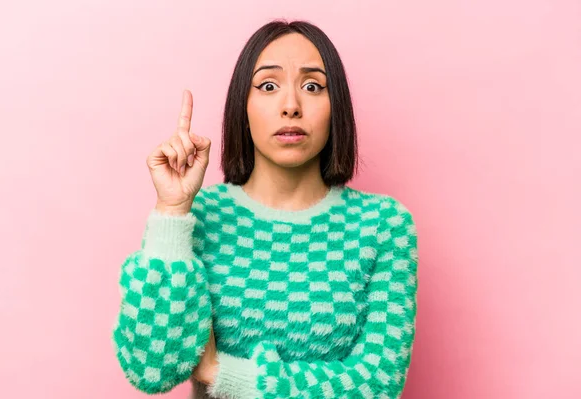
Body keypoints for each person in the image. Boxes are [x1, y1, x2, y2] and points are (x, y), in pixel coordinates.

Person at [112, 19, 419, 399]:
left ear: (335, 105)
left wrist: (221, 373)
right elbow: (150, 370)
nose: (291, 106)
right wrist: (172, 211)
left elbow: (378, 384)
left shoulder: (383, 225)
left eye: (312, 86)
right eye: (268, 86)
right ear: (243, 106)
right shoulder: (199, 216)